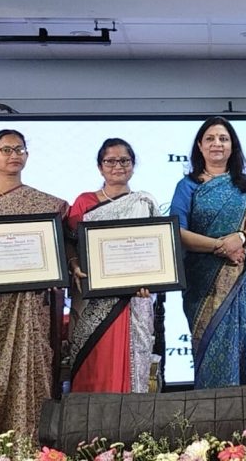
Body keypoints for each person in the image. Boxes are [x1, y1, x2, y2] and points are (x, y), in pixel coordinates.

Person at [0, 130, 67, 461]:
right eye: (6, 150)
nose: (14, 155)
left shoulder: (45, 203)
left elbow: (57, 247)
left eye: (20, 149)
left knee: (33, 370)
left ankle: (32, 447)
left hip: (32, 303)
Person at [170, 117, 246, 389]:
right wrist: (221, 247)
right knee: (209, 348)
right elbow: (178, 232)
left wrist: (241, 238)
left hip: (242, 281)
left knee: (244, 346)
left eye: (223, 139)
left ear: (232, 146)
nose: (217, 143)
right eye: (210, 139)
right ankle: (211, 412)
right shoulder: (187, 186)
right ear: (200, 146)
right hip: (202, 284)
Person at [66, 138, 160, 392]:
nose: (118, 166)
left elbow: (157, 249)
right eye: (110, 161)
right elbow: (69, 241)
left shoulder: (144, 203)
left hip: (134, 298)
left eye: (124, 161)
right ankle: (89, 417)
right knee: (92, 362)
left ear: (133, 165)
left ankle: (130, 416)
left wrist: (152, 282)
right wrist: (74, 264)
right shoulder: (84, 202)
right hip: (92, 298)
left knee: (131, 365)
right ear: (100, 167)